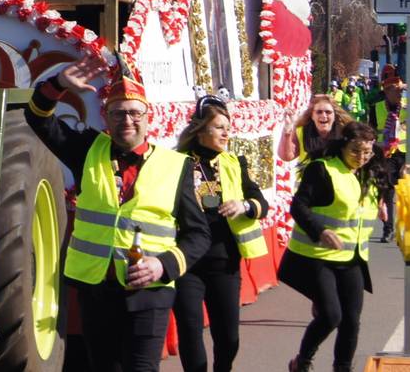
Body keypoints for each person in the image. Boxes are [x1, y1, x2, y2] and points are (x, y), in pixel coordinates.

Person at [25, 57, 210, 372]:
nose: (127, 120)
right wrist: (57, 85)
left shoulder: (176, 166)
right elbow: (38, 118)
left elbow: (199, 235)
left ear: (147, 118)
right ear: (106, 118)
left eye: (135, 113)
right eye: (118, 113)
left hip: (149, 292)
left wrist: (162, 265)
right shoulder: (87, 149)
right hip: (96, 289)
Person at [280, 121, 387, 372]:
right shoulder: (323, 169)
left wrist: (382, 200)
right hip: (317, 256)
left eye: (367, 152)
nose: (361, 157)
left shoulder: (369, 170)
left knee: (351, 321)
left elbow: (384, 182)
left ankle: (343, 368)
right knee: (331, 315)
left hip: (351, 258)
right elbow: (298, 206)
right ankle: (302, 361)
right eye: (355, 151)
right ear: (342, 146)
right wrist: (321, 230)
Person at [173, 95, 269, 372]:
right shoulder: (177, 162)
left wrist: (244, 205)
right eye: (219, 127)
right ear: (201, 129)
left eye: (228, 126)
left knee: (228, 336)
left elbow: (261, 203)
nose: (227, 132)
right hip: (187, 260)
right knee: (190, 329)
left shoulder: (235, 162)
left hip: (223, 260)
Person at [372, 64, 406, 242]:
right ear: (386, 91)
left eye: (400, 90)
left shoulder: (407, 107)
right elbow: (370, 133)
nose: (399, 94)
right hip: (386, 155)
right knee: (388, 192)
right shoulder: (376, 107)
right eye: (395, 90)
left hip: (405, 154)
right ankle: (388, 229)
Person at [279, 93, 352, 164]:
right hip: (309, 175)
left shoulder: (345, 133)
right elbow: (287, 156)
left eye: (328, 112)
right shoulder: (301, 131)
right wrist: (287, 131)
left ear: (334, 116)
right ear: (312, 116)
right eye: (319, 112)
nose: (324, 115)